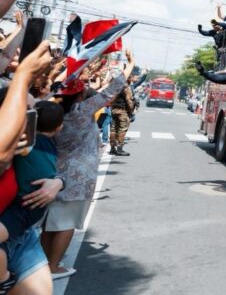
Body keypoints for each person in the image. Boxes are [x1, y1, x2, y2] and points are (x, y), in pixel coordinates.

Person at [41, 49, 135, 279]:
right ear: (81, 95)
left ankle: (42, 263)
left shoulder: (52, 111)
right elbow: (112, 90)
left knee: (50, 222)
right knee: (67, 223)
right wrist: (129, 64)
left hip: (53, 171)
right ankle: (53, 267)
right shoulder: (83, 111)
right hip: (79, 176)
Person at [0, 101, 64, 293]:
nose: (31, 113)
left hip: (22, 225)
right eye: (27, 107)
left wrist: (59, 182)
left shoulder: (25, 143)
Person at [108, 79, 136, 156]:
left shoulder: (114, 86)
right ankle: (120, 148)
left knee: (113, 129)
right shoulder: (125, 87)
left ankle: (112, 148)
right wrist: (131, 110)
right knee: (122, 129)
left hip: (114, 110)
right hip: (122, 111)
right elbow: (129, 100)